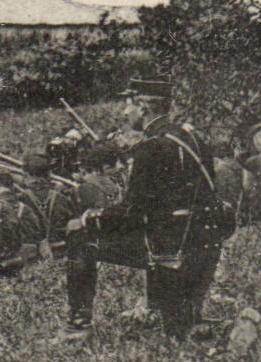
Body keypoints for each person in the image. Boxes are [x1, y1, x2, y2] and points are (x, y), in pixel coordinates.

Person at [65, 76, 232, 339]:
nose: (125, 112)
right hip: (205, 242)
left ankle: (77, 326)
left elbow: (132, 214)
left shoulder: (150, 148)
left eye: (128, 105)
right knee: (180, 330)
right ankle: (182, 313)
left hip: (171, 248)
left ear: (143, 108)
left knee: (80, 239)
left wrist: (88, 219)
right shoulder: (193, 138)